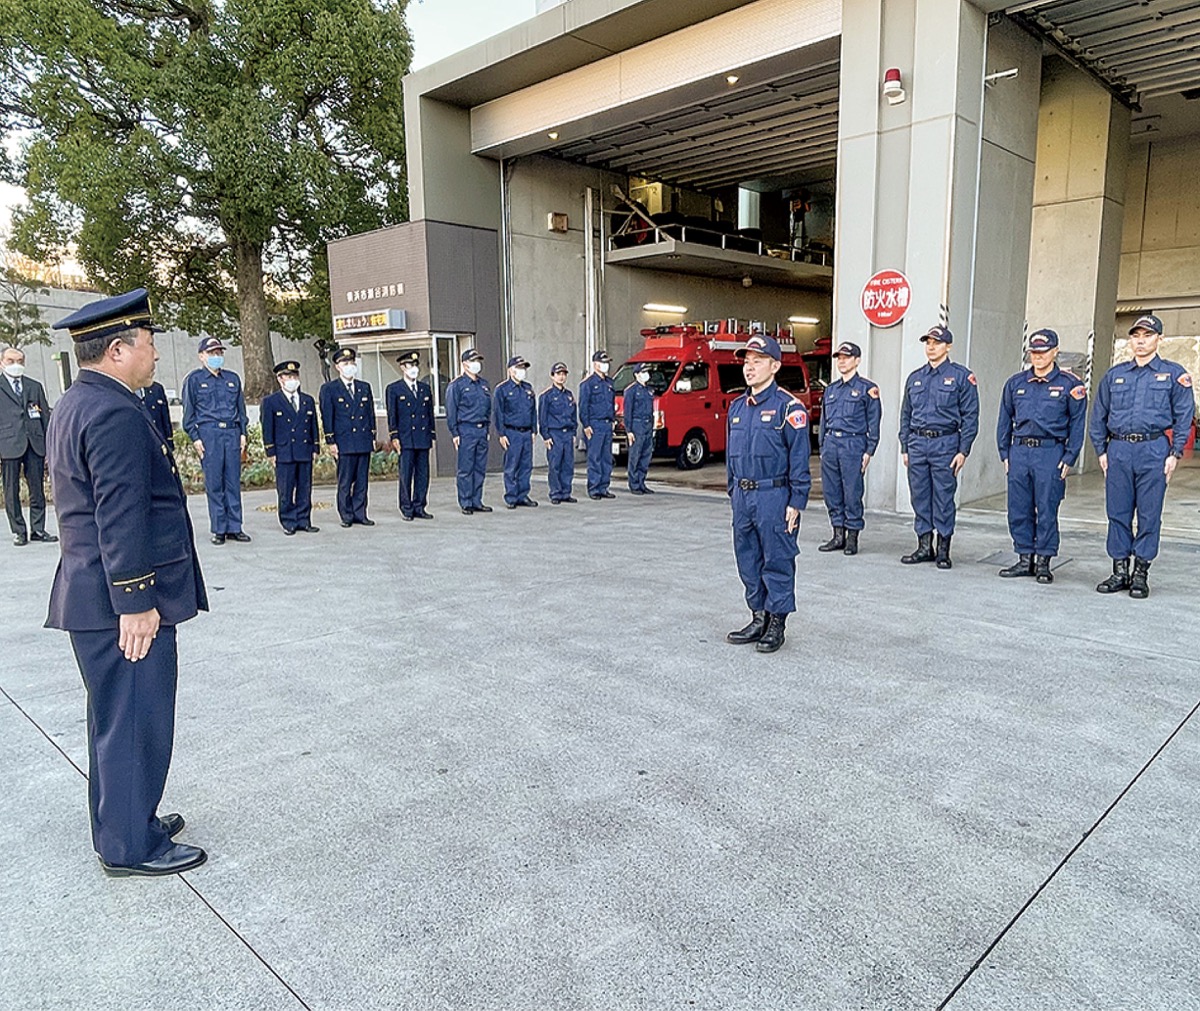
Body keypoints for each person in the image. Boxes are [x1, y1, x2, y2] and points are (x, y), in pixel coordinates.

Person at [46, 288, 208, 877]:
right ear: (117, 349)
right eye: (149, 343)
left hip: (92, 593)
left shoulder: (77, 401)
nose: (157, 354)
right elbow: (119, 513)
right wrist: (137, 602)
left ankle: (125, 821)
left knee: (115, 720)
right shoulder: (113, 410)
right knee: (136, 720)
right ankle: (130, 847)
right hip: (122, 601)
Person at [1090, 314, 1195, 599]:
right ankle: (1119, 571)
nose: (1140, 341)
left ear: (1159, 339)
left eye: (1147, 336)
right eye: (1136, 336)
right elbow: (1098, 414)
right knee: (1118, 512)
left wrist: (1175, 453)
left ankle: (1140, 573)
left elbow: (1185, 417)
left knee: (1149, 514)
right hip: (1119, 450)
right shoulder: (1115, 375)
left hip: (1154, 450)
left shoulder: (1174, 375)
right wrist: (1101, 449)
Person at [724, 334, 811, 654]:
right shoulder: (737, 407)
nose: (749, 368)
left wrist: (796, 502)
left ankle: (777, 622)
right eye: (747, 362)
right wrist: (733, 491)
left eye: (757, 361)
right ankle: (758, 615)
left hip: (774, 496)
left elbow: (799, 459)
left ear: (774, 366)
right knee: (747, 558)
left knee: (777, 559)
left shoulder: (789, 408)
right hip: (744, 497)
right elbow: (731, 455)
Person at [995, 329, 1087, 584]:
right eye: (1033, 352)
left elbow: (1077, 425)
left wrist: (1070, 457)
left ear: (1055, 351)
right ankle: (1025, 559)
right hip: (1020, 451)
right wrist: (1005, 452)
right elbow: (1005, 419)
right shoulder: (1016, 383)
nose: (1037, 356)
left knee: (1047, 508)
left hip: (1050, 452)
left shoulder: (1070, 385)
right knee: (1018, 508)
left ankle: (1044, 562)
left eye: (1043, 351)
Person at [898, 325, 979, 570]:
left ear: (948, 346)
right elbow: (905, 414)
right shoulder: (915, 377)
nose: (931, 347)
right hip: (917, 444)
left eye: (936, 342)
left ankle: (943, 549)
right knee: (920, 495)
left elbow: (971, 417)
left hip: (945, 444)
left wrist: (963, 450)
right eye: (928, 343)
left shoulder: (962, 377)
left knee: (944, 497)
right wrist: (905, 446)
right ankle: (924, 546)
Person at [182, 337, 250, 545]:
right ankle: (219, 528)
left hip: (231, 433)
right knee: (214, 483)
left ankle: (235, 527)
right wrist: (196, 438)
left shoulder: (232, 378)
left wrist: (243, 433)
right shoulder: (194, 380)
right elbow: (189, 414)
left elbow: (241, 410)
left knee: (232, 482)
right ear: (201, 356)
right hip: (209, 434)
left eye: (219, 353)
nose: (216, 357)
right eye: (212, 354)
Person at [817, 342, 880, 555]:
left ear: (857, 360)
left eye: (846, 357)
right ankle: (837, 535)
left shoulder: (866, 389)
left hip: (853, 445)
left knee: (852, 492)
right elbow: (824, 420)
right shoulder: (831, 389)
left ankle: (852, 537)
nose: (841, 361)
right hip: (831, 444)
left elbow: (874, 422)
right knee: (832, 492)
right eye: (839, 358)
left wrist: (869, 450)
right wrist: (822, 447)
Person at [0, 345, 56, 546]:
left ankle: (38, 529)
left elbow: (45, 417)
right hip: (8, 443)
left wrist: (49, 444)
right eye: (11, 361)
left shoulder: (34, 386)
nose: (16, 365)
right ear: (2, 362)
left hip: (34, 442)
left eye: (20, 361)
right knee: (11, 489)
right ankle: (19, 531)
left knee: (37, 488)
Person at [319, 347, 377, 528]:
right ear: (337, 367)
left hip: (362, 439)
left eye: (352, 362)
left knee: (361, 481)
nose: (349, 366)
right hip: (344, 441)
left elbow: (370, 414)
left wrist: (372, 436)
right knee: (345, 481)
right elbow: (327, 416)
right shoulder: (330, 389)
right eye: (345, 363)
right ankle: (346, 514)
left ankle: (360, 513)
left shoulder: (364, 387)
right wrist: (331, 441)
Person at [262, 360, 320, 535]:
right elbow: (267, 428)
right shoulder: (271, 401)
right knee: (286, 489)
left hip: (304, 450)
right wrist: (270, 451)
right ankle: (288, 521)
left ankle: (304, 520)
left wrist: (315, 447)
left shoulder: (307, 400)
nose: (292, 379)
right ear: (280, 379)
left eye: (294, 376)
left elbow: (313, 426)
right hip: (284, 451)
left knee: (305, 487)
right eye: (288, 376)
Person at [386, 351, 436, 520]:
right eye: (410, 365)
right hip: (406, 438)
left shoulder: (425, 388)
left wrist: (431, 434)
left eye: (415, 365)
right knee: (406, 474)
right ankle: (406, 507)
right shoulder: (394, 389)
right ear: (402, 367)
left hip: (422, 437)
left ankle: (420, 505)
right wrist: (394, 436)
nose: (414, 368)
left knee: (423, 474)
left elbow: (429, 414)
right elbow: (392, 415)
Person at [445, 348, 493, 515]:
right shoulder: (457, 385)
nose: (476, 364)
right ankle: (466, 502)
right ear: (465, 364)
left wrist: (487, 428)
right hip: (466, 429)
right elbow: (451, 410)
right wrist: (455, 433)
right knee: (466, 469)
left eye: (478, 361)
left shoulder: (484, 384)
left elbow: (488, 408)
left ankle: (476, 500)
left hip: (481, 430)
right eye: (473, 361)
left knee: (479, 468)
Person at [494, 354, 538, 509]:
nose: (522, 371)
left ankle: (523, 495)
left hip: (526, 432)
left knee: (526, 466)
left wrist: (534, 430)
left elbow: (533, 411)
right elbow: (498, 413)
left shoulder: (528, 388)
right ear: (511, 370)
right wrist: (501, 433)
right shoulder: (502, 389)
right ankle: (511, 496)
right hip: (511, 432)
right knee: (512, 465)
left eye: (523, 368)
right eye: (519, 368)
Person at [539, 362, 578, 504]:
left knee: (568, 465)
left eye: (563, 374)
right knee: (555, 465)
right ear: (552, 376)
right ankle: (555, 493)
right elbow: (542, 417)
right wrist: (546, 436)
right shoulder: (547, 396)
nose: (561, 377)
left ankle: (566, 492)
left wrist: (574, 432)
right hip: (555, 434)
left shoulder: (569, 395)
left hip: (567, 433)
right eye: (558, 374)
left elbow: (574, 414)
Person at [579, 350, 616, 500]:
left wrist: (613, 421)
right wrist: (586, 425)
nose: (606, 365)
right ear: (595, 365)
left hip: (607, 424)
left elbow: (612, 403)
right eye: (602, 363)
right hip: (594, 424)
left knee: (606, 458)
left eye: (607, 363)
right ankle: (594, 488)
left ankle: (604, 487)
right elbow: (583, 406)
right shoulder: (588, 384)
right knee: (595, 458)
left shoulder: (609, 383)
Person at [623, 364, 656, 495]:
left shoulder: (649, 390)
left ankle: (641, 482)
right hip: (637, 425)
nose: (646, 374)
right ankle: (634, 484)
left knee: (645, 456)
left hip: (647, 425)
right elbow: (628, 412)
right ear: (636, 374)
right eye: (643, 372)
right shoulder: (630, 390)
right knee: (635, 456)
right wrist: (629, 431)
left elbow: (651, 410)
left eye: (647, 372)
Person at [138, 380, 173, 449]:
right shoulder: (133, 390)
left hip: (159, 438)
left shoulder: (157, 388)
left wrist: (169, 439)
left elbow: (165, 416)